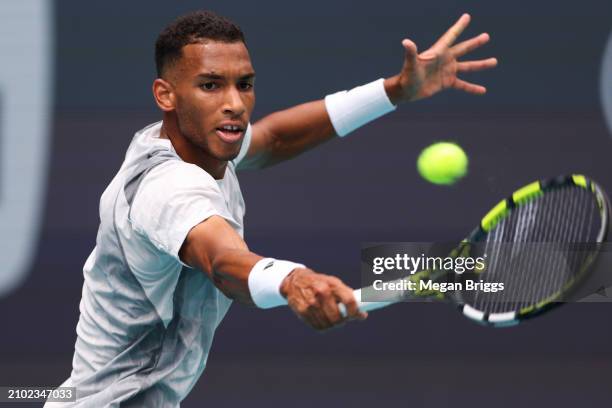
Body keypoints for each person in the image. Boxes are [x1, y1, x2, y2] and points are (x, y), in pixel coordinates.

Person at [46, 10, 496, 407]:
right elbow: (222, 261)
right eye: (210, 86)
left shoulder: (194, 141)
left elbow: (275, 138)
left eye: (245, 85)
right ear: (166, 94)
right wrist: (291, 279)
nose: (235, 104)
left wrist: (394, 90)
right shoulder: (168, 186)